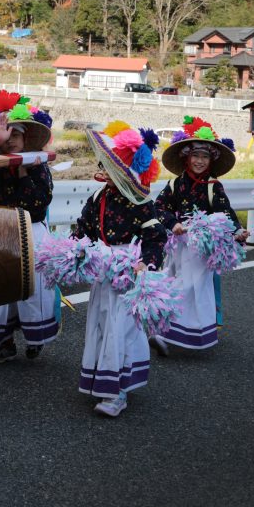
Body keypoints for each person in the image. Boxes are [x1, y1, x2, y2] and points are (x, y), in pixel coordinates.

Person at [73, 122, 167, 417]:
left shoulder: (140, 201)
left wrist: (144, 263)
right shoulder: (98, 198)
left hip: (127, 272)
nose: (103, 169)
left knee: (122, 328)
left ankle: (118, 391)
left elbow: (155, 238)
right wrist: (73, 250)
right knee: (102, 323)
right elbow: (84, 229)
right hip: (103, 271)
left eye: (110, 165)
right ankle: (103, 380)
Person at [0, 90, 57, 363]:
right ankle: (4, 342)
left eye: (15, 136)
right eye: (8, 137)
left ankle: (35, 338)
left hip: (32, 231)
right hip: (3, 230)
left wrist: (21, 169)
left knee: (34, 289)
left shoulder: (38, 163)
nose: (11, 142)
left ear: (26, 138)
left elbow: (39, 200)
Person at [154, 116, 246, 355]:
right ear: (186, 157)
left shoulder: (213, 186)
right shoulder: (175, 184)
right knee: (172, 282)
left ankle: (168, 333)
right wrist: (172, 223)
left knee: (191, 287)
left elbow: (226, 213)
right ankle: (165, 329)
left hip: (201, 246)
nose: (199, 161)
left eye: (205, 157)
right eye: (195, 156)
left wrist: (237, 231)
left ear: (211, 161)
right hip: (177, 244)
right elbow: (160, 207)